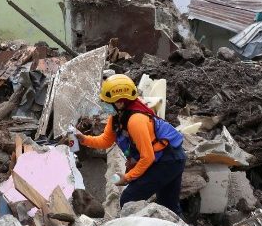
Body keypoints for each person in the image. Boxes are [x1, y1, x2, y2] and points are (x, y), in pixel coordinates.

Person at [77, 74, 187, 214]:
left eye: (107, 101)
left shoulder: (136, 120)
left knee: (129, 199)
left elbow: (147, 157)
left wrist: (127, 177)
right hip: (164, 158)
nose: (103, 104)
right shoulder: (116, 118)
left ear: (120, 102)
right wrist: (83, 139)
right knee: (168, 205)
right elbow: (106, 141)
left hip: (169, 159)